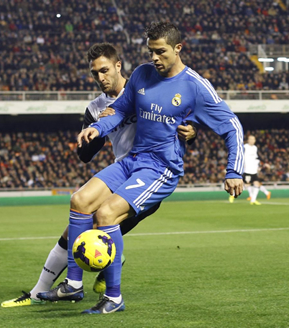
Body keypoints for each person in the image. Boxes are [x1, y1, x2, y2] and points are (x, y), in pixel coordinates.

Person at [38, 22, 244, 314]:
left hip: (161, 168)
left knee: (106, 213)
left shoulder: (194, 86)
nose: (155, 58)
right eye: (151, 51)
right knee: (80, 200)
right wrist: (97, 129)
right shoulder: (142, 74)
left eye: (161, 52)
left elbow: (231, 125)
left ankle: (114, 298)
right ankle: (73, 284)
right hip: (133, 160)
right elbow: (120, 109)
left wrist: (234, 171)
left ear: (178, 49)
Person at [1, 43, 197, 307]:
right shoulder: (95, 108)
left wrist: (192, 132)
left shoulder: (145, 90)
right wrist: (98, 128)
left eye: (105, 70)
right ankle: (47, 290)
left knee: (94, 227)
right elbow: (84, 156)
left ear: (118, 66)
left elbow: (180, 120)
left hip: (148, 176)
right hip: (121, 171)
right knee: (76, 223)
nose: (100, 78)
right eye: (95, 74)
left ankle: (99, 281)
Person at [230, 135, 271, 205]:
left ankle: (253, 200)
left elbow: (256, 158)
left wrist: (262, 165)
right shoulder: (245, 147)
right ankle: (233, 194)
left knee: (256, 184)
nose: (252, 141)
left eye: (253, 139)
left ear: (255, 140)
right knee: (244, 185)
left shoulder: (255, 148)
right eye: (250, 139)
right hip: (247, 170)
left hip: (253, 170)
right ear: (248, 140)